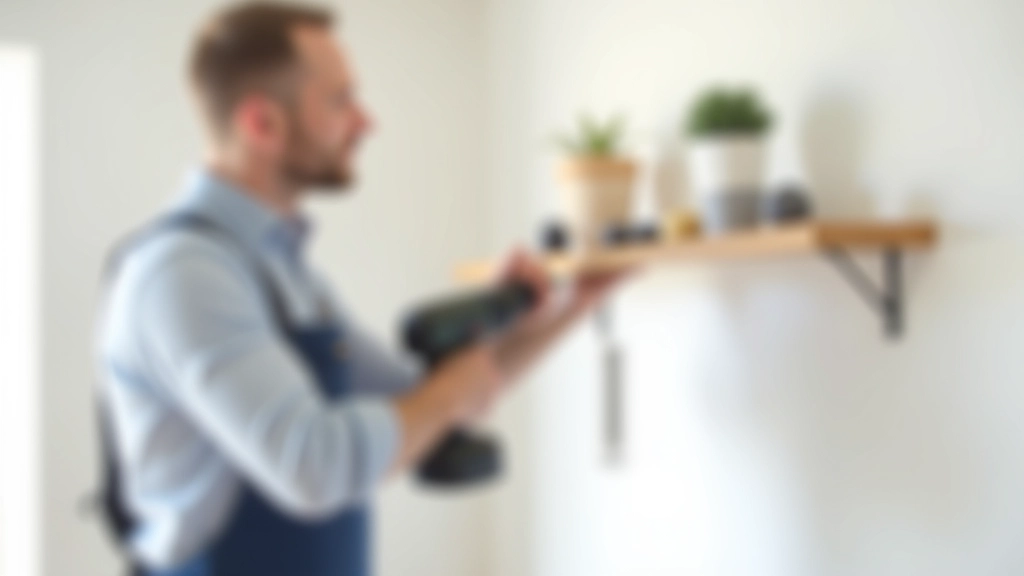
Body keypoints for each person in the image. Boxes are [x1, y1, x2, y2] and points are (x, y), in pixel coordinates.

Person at [95, 3, 623, 576]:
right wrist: (448, 394)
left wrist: (577, 303)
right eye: (340, 100)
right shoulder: (184, 275)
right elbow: (314, 466)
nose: (366, 121)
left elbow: (425, 400)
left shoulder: (284, 270)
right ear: (261, 124)